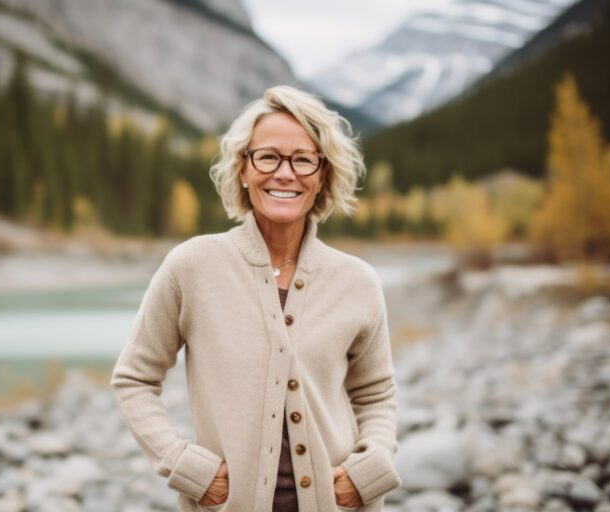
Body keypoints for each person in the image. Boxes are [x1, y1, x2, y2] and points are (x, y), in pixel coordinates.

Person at [111, 85, 401, 511]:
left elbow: (376, 394)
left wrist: (366, 473)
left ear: (323, 175)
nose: (285, 173)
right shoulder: (191, 266)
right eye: (268, 156)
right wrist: (185, 467)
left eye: (303, 159)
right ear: (243, 169)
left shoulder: (357, 280)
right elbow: (134, 379)